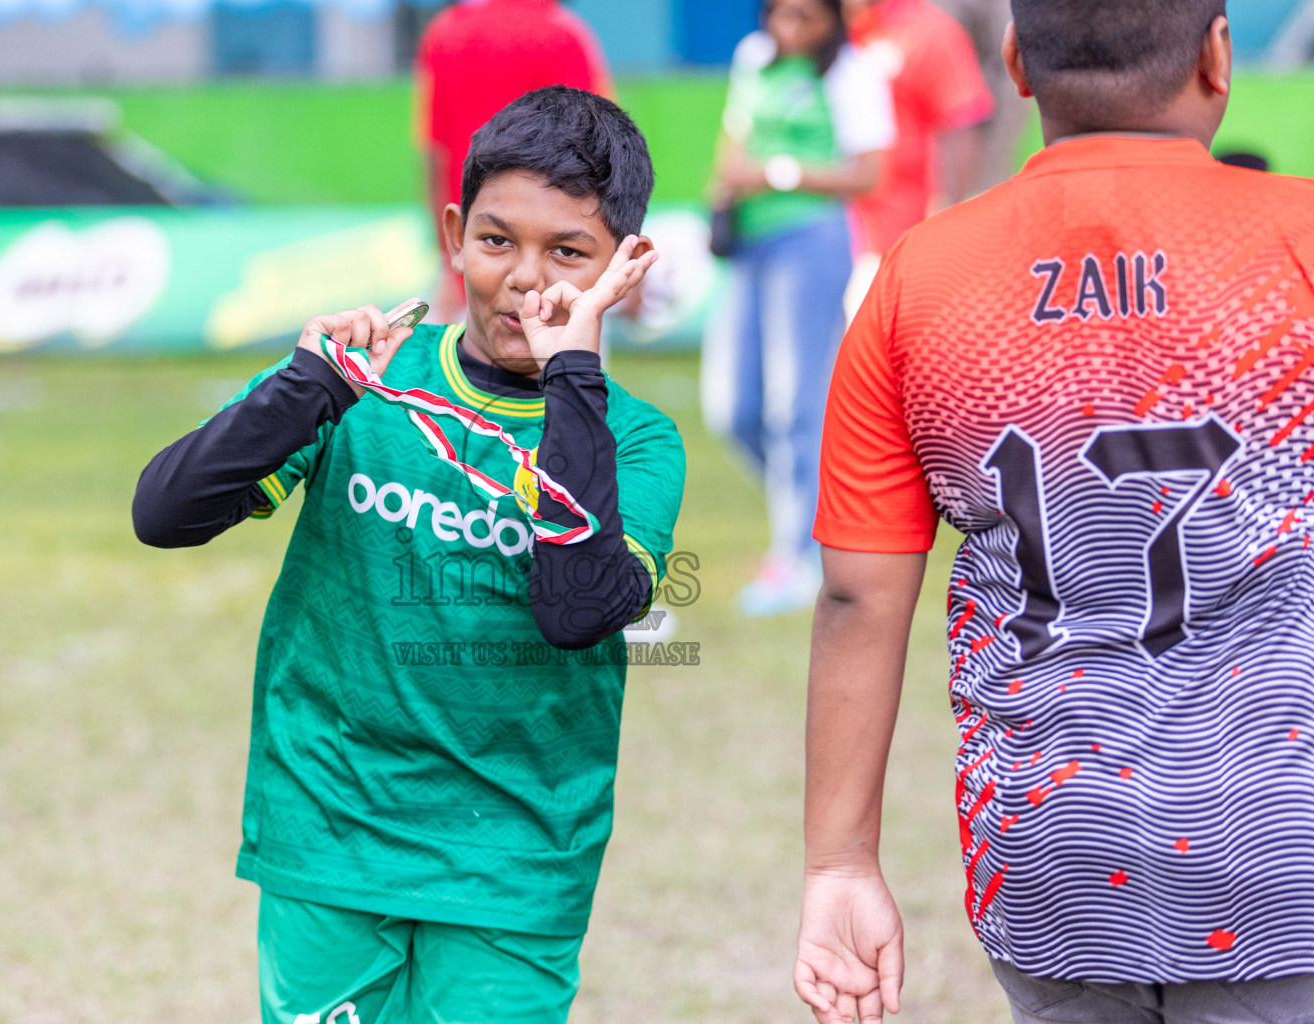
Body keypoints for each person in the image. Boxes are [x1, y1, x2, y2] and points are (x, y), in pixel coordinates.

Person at [795, 1, 1314, 1021]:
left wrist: (840, 859)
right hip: (1280, 837)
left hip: (1048, 850)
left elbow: (859, 596)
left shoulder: (917, 279)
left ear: (1016, 62)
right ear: (1218, 55)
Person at [133, 86, 685, 1024]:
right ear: (454, 231)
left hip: (517, 853)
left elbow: (576, 608)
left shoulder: (635, 442)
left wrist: (574, 374)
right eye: (498, 240)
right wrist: (304, 387)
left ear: (624, 267)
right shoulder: (365, 381)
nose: (523, 278)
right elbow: (164, 512)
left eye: (569, 252)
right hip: (333, 831)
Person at [701, 0, 895, 617]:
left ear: (834, 19)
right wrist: (723, 196)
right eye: (783, 13)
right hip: (750, 243)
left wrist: (776, 173)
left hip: (812, 242)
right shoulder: (753, 59)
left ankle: (797, 553)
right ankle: (823, 515)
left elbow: (867, 175)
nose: (794, 27)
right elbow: (732, 144)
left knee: (797, 405)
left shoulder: (850, 72)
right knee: (733, 408)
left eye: (808, 15)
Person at [415, 0, 614, 322]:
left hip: (475, 257)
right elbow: (601, 153)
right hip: (554, 270)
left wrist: (447, 259)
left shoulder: (446, 32)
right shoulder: (563, 33)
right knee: (565, 369)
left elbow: (435, 157)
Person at [841, 0, 995, 317]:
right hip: (834, 234)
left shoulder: (929, 31)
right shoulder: (838, 26)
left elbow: (959, 124)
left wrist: (943, 217)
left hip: (899, 241)